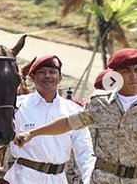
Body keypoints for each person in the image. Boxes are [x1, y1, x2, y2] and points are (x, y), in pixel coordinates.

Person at [15, 48, 137, 183]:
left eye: (136, 70)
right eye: (126, 72)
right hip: (103, 179)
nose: (134, 76)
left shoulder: (70, 107)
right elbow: (68, 124)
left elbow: (83, 150)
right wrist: (31, 134)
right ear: (114, 76)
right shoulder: (100, 104)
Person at [4, 55, 95, 183]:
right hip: (23, 178)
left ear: (60, 78)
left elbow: (84, 151)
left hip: (58, 179)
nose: (47, 76)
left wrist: (88, 178)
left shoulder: (73, 111)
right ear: (33, 78)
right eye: (41, 72)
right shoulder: (17, 107)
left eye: (52, 72)